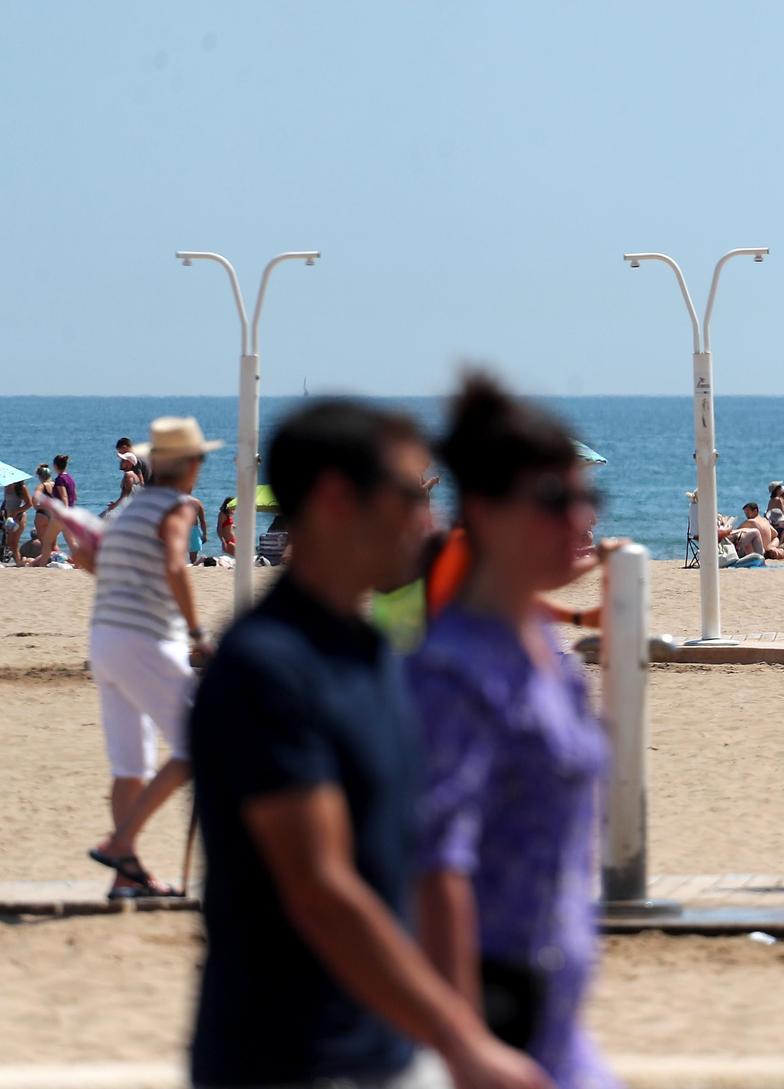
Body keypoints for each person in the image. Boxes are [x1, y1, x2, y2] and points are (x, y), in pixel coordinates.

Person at [186, 398, 548, 1089]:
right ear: (334, 499)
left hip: (388, 1045)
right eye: (413, 495)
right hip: (289, 1061)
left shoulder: (371, 653)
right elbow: (319, 885)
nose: (431, 521)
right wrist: (461, 1038)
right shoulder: (267, 667)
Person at [409, 376, 615, 1088]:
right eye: (555, 502)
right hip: (492, 1016)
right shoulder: (455, 674)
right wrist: (463, 1042)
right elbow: (434, 865)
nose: (579, 517)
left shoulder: (545, 655)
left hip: (555, 1011)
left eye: (587, 499)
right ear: (488, 512)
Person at [81, 418, 220, 898]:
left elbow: (90, 562)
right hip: (146, 639)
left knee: (130, 765)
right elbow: (173, 563)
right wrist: (200, 633)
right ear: (190, 465)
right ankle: (120, 844)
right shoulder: (178, 507)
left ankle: (125, 876)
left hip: (104, 640)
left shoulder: (127, 512)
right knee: (199, 742)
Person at [103, 451, 145, 517]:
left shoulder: (129, 475)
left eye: (123, 460)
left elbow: (125, 496)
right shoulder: (134, 475)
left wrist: (114, 506)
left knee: (102, 518)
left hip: (132, 510)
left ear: (129, 463)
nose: (120, 462)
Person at [2, 478, 30, 564]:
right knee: (9, 542)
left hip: (19, 517)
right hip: (9, 517)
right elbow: (7, 502)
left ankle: (19, 562)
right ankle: (19, 560)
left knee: (15, 541)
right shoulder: (6, 486)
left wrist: (16, 511)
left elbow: (29, 504)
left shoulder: (22, 487)